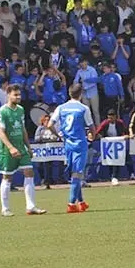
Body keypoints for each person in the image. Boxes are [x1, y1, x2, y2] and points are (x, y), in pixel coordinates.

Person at [0, 84, 47, 216]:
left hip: (21, 148)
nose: (18, 97)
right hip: (7, 150)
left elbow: (22, 129)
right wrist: (10, 147)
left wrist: (28, 147)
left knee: (29, 172)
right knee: (7, 177)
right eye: (15, 95)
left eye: (19, 94)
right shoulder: (2, 111)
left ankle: (31, 206)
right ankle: (5, 209)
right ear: (8, 95)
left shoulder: (20, 110)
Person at [51, 84, 94, 212]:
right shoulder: (83, 108)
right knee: (77, 173)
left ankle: (81, 202)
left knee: (75, 172)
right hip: (80, 143)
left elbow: (49, 124)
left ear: (69, 94)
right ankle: (71, 204)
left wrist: (58, 135)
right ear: (81, 94)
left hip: (68, 144)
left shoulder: (61, 107)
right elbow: (91, 127)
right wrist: (92, 136)